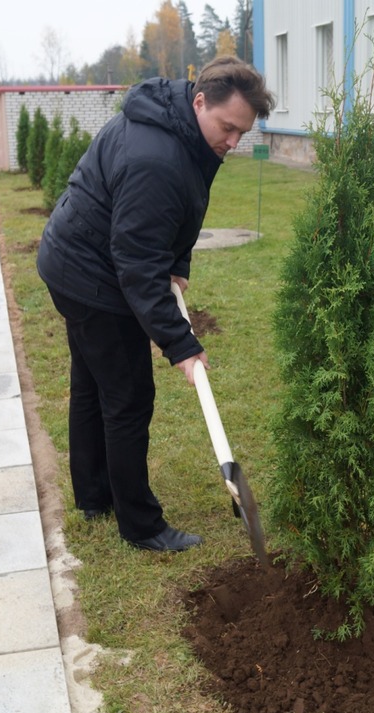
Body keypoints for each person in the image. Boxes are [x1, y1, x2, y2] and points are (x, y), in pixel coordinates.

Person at [36, 56, 274, 552]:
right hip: (90, 275)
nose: (233, 142)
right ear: (200, 100)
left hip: (74, 256)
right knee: (126, 398)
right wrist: (180, 344)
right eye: (228, 128)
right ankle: (141, 525)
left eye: (242, 134)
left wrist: (179, 263)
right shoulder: (156, 158)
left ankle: (95, 496)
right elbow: (137, 264)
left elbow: (180, 211)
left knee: (91, 382)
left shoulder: (181, 129)